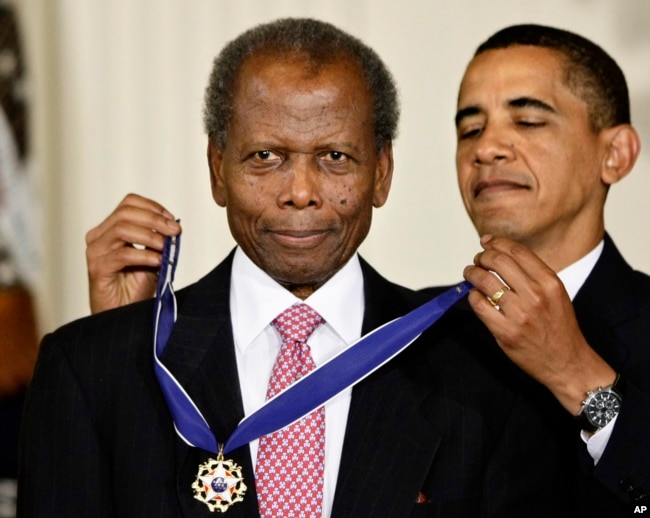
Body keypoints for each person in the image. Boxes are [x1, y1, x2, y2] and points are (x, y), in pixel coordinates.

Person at [80, 23, 650, 514]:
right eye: (470, 127)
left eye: (527, 121)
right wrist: (135, 353)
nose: (488, 147)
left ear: (616, 153)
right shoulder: (423, 334)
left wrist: (579, 377)